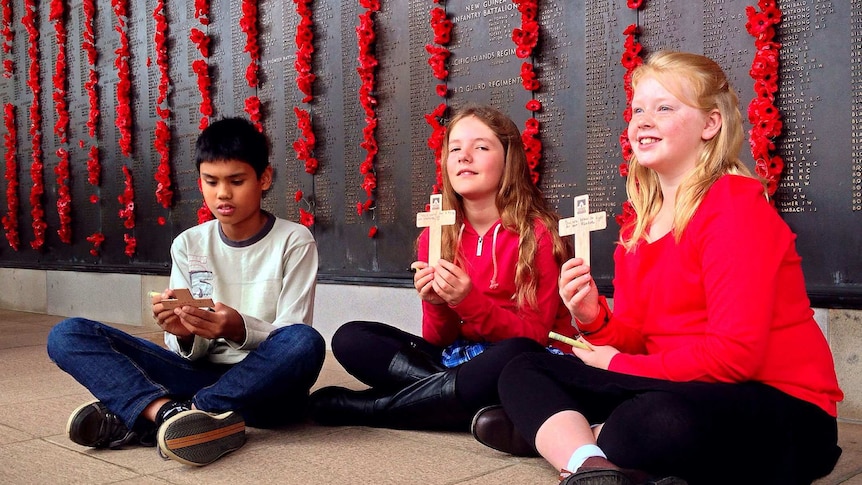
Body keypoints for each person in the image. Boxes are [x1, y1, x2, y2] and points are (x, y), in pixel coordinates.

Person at [472, 51, 844, 485]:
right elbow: (637, 341)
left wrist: (614, 368)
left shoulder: (735, 208)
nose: (642, 121)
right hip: (678, 384)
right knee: (523, 367)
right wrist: (593, 319)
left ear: (710, 124)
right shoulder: (638, 224)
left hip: (782, 410)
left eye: (664, 107)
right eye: (638, 109)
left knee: (653, 420)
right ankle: (593, 467)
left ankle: (566, 437)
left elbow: (733, 360)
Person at [46, 117, 325, 467]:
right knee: (68, 334)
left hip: (266, 385)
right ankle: (171, 416)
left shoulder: (294, 240)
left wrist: (236, 327)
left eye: (236, 181)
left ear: (263, 179)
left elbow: (291, 330)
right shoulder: (190, 244)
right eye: (211, 182)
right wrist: (183, 334)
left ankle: (163, 414)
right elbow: (184, 350)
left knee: (305, 342)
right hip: (199, 373)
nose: (222, 193)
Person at [308, 104, 574, 431]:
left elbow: (533, 336)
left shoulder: (538, 235)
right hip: (457, 360)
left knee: (515, 354)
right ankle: (461, 399)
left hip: (520, 360)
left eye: (481, 147)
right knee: (352, 337)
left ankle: (372, 408)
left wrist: (468, 300)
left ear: (509, 160)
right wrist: (435, 304)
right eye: (455, 149)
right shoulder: (436, 236)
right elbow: (438, 340)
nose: (464, 156)